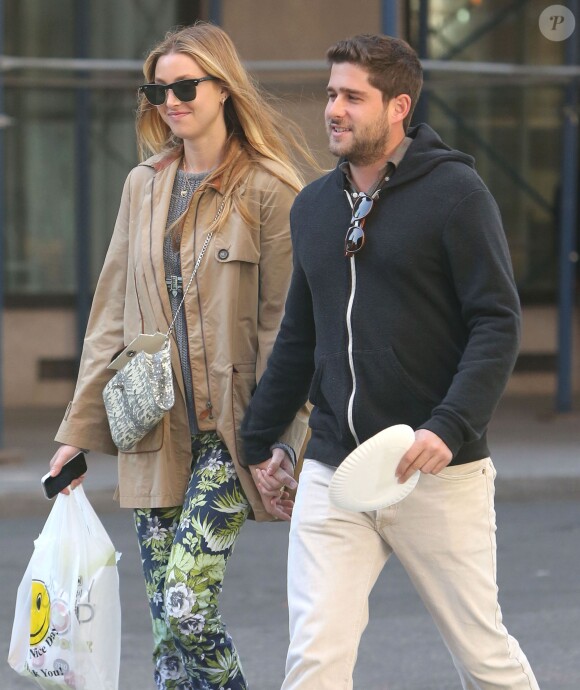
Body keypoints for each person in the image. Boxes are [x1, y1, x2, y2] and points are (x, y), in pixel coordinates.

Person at [241, 33, 540, 690]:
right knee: (314, 660)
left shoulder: (457, 195)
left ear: (398, 106)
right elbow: (300, 333)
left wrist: (450, 423)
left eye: (353, 96)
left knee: (485, 659)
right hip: (335, 467)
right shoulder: (316, 206)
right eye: (330, 94)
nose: (333, 110)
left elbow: (496, 321)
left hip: (435, 467)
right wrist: (261, 439)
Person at [49, 22, 310, 690]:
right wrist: (76, 435)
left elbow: (289, 324)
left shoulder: (269, 190)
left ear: (224, 89)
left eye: (187, 85)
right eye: (159, 88)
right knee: (166, 634)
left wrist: (283, 433)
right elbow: (110, 311)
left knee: (187, 606)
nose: (172, 100)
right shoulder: (143, 185)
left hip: (234, 425)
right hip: (152, 428)